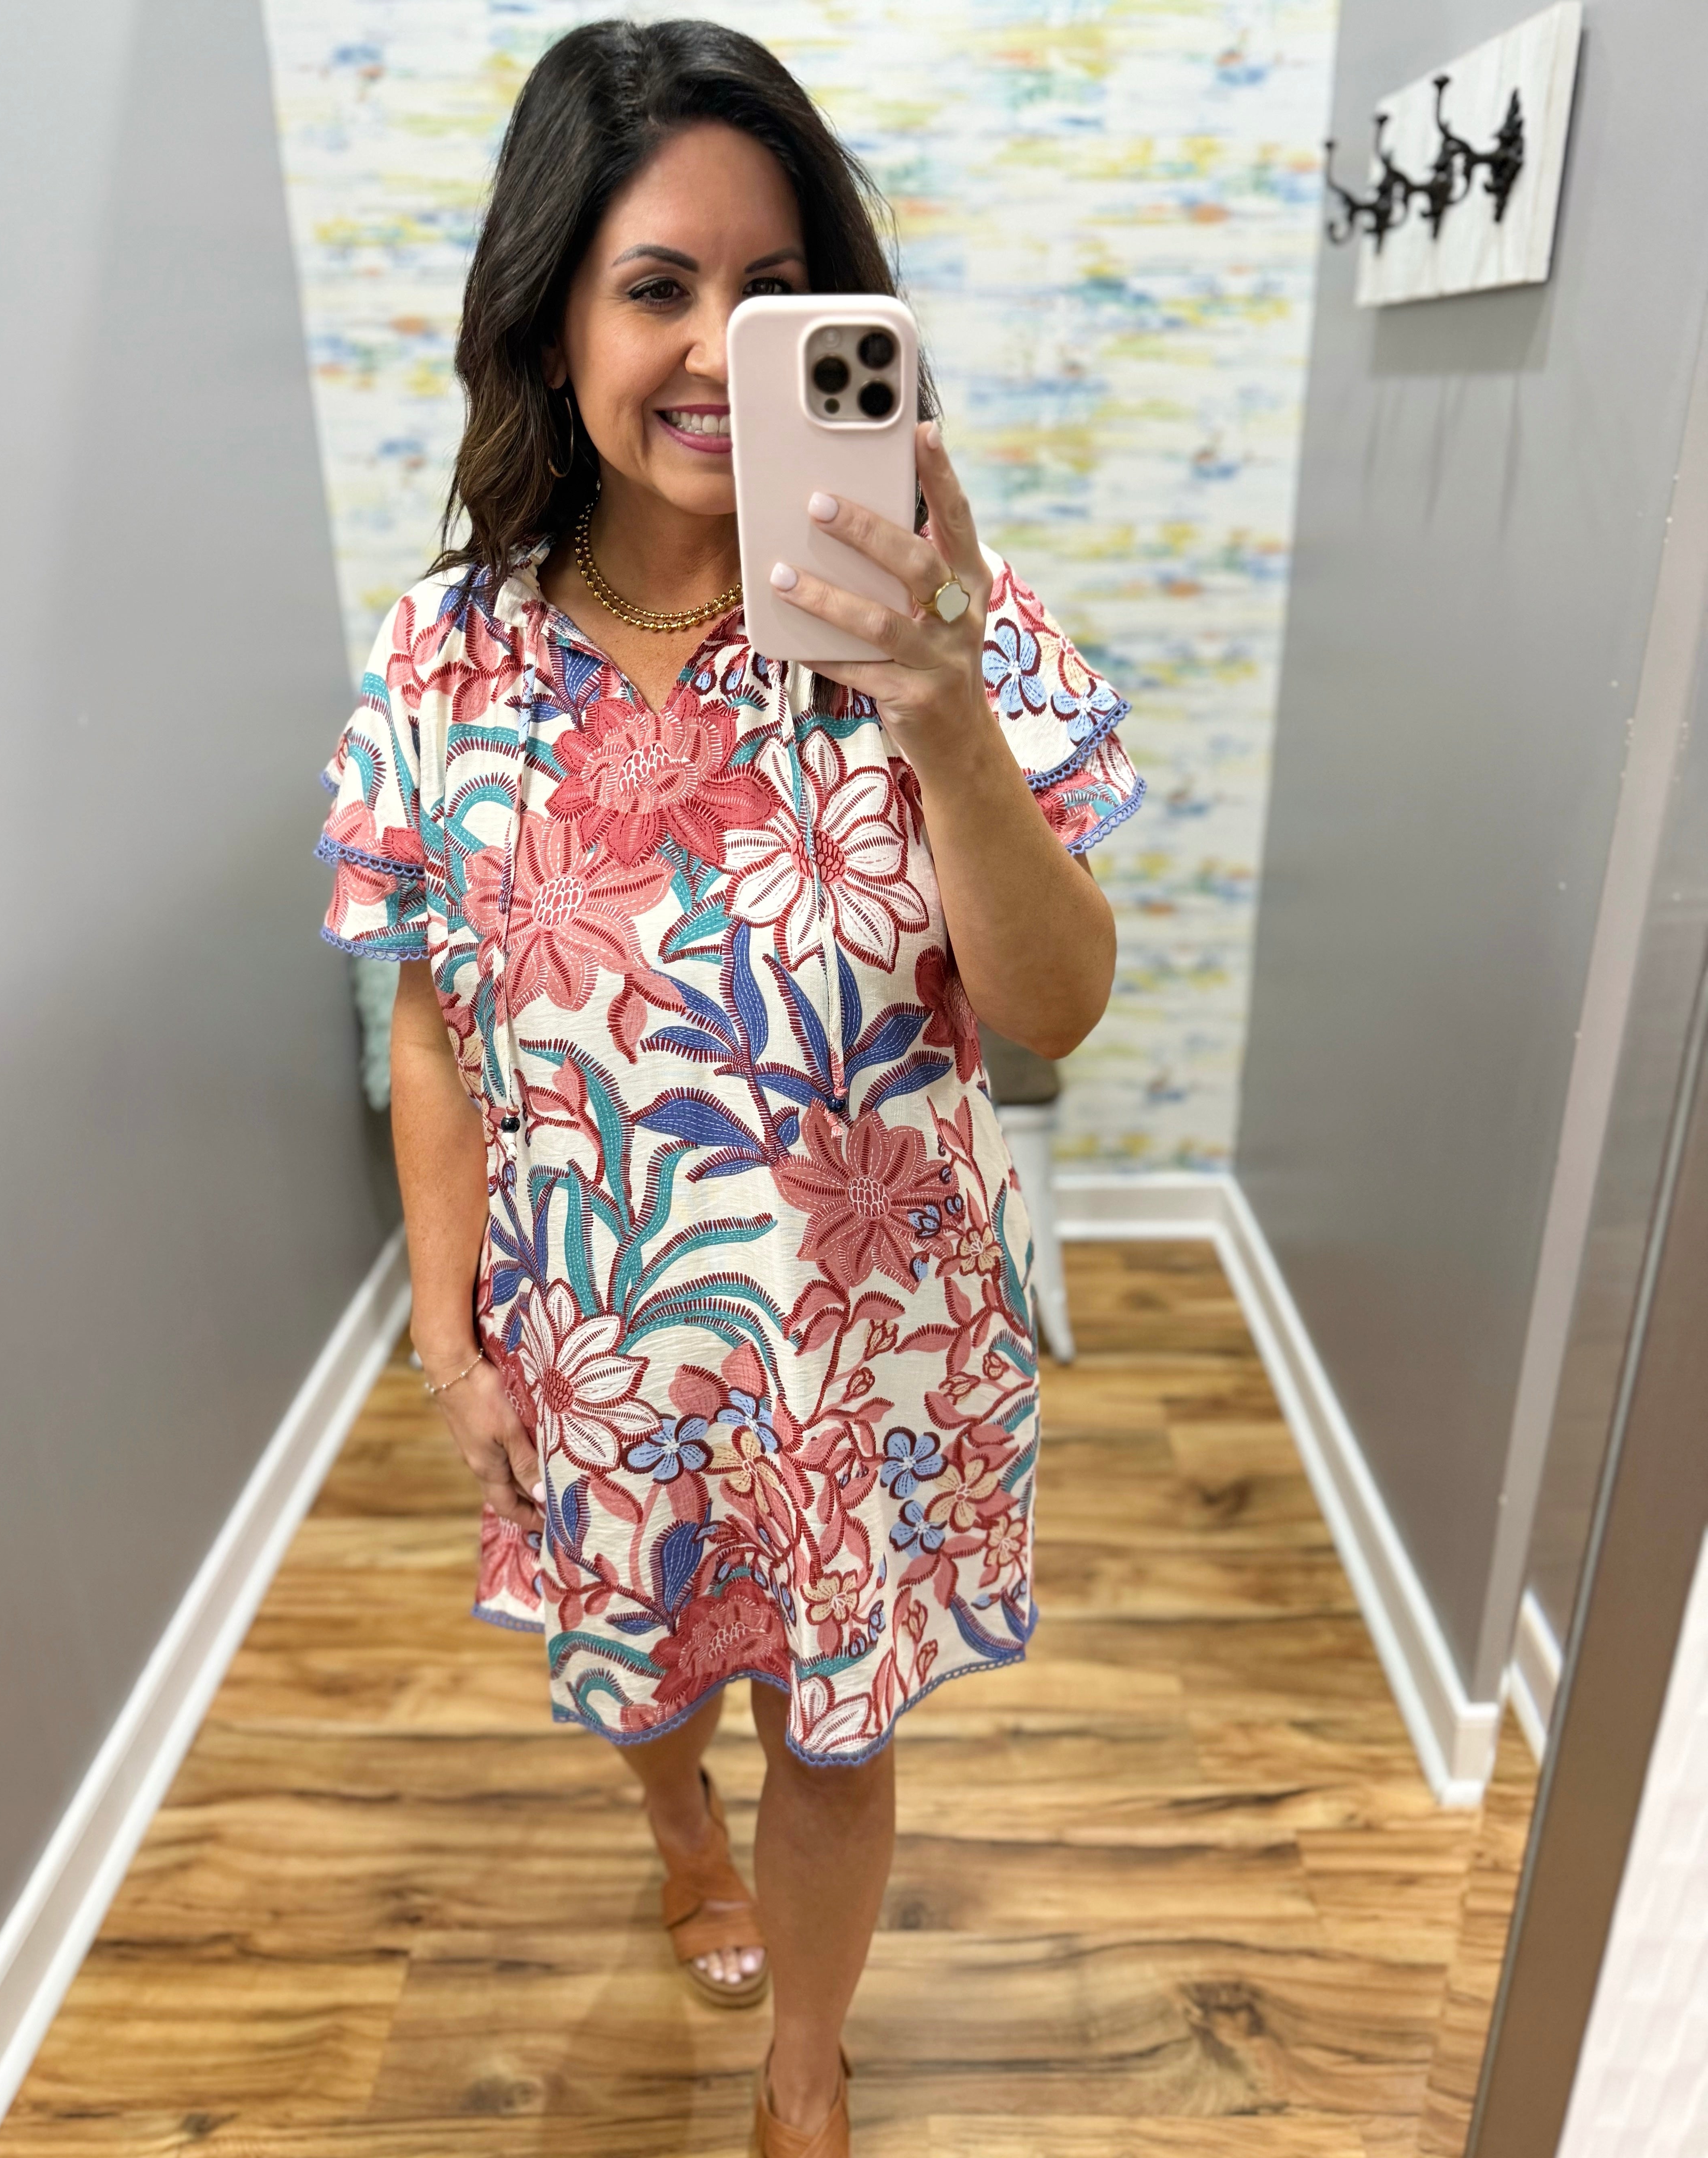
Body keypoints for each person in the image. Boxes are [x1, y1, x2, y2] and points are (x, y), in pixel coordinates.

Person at [316, 20, 1141, 2155]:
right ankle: (680, 1832)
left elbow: (1052, 1010)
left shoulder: (944, 618)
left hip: (863, 1354)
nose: (719, 349)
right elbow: (433, 1018)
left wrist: (940, 704)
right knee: (650, 1681)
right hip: (597, 1341)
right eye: (660, 284)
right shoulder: (442, 666)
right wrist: (444, 1327)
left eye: (779, 297)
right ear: (553, 311)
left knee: (841, 1736)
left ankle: (803, 2075)